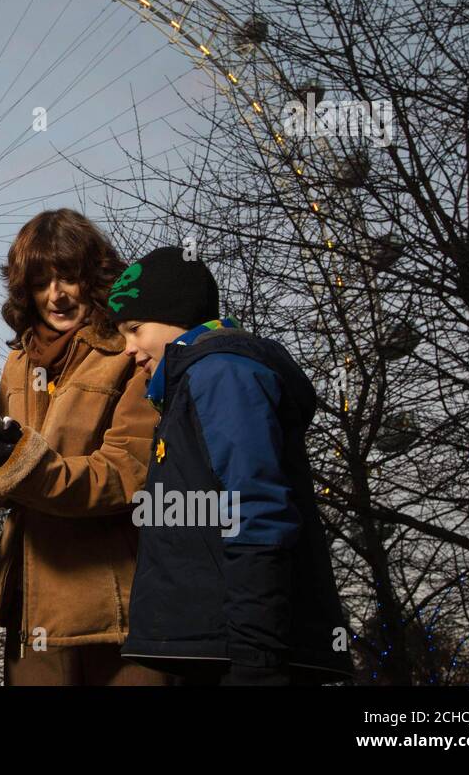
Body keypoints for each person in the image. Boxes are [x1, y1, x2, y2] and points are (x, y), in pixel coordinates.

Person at [104, 246, 353, 685]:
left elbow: (257, 508)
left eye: (134, 329)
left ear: (175, 313)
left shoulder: (221, 374)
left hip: (241, 654)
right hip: (212, 648)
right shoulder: (189, 386)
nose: (127, 349)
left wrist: (257, 658)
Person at [0, 209, 172, 685]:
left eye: (68, 277)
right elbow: (7, 478)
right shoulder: (17, 363)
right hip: (28, 607)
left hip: (113, 604)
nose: (55, 296)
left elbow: (127, 475)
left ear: (93, 279)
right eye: (40, 282)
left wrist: (22, 467)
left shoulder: (128, 354)